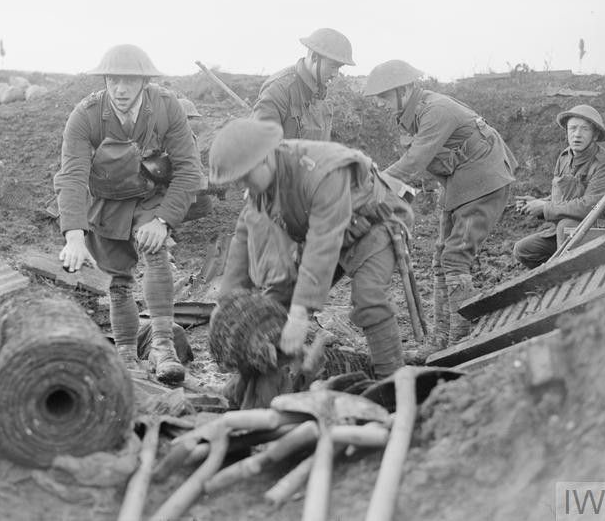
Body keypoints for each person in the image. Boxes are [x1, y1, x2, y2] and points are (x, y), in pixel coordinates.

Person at [209, 118, 414, 385]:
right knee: (273, 305)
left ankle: (393, 385)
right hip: (329, 237)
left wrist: (300, 313)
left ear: (266, 158)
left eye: (245, 177)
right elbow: (243, 238)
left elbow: (323, 242)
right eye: (238, 181)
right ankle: (273, 380)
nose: (243, 187)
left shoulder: (322, 172)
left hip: (373, 225)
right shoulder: (262, 187)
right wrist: (226, 303)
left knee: (368, 297)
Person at [53, 44, 202, 383]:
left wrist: (163, 219)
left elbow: (190, 170)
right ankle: (125, 354)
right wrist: (74, 236)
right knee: (118, 279)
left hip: (150, 194)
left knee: (155, 250)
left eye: (129, 82)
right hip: (105, 200)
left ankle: (163, 346)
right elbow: (73, 176)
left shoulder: (167, 108)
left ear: (145, 82)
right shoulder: (86, 115)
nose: (120, 89)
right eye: (113, 80)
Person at [363, 60, 517, 360]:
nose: (380, 105)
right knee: (439, 260)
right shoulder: (410, 115)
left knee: (454, 257)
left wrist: (371, 184)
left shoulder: (436, 110)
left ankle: (463, 337)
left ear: (404, 89)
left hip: (484, 180)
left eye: (384, 97)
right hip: (458, 182)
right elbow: (417, 166)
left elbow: (413, 162)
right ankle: (439, 341)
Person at [513, 104, 605, 268]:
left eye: (584, 129)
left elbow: (589, 207)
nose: (577, 134)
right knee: (523, 250)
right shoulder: (565, 157)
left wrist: (545, 208)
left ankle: (569, 278)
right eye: (572, 128)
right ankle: (552, 281)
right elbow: (565, 197)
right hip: (574, 228)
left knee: (565, 227)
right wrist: (536, 203)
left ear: (595, 135)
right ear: (566, 131)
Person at [252, 28, 355, 141]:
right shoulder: (280, 89)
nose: (335, 74)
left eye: (339, 68)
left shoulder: (323, 92)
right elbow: (261, 146)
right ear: (315, 57)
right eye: (332, 66)